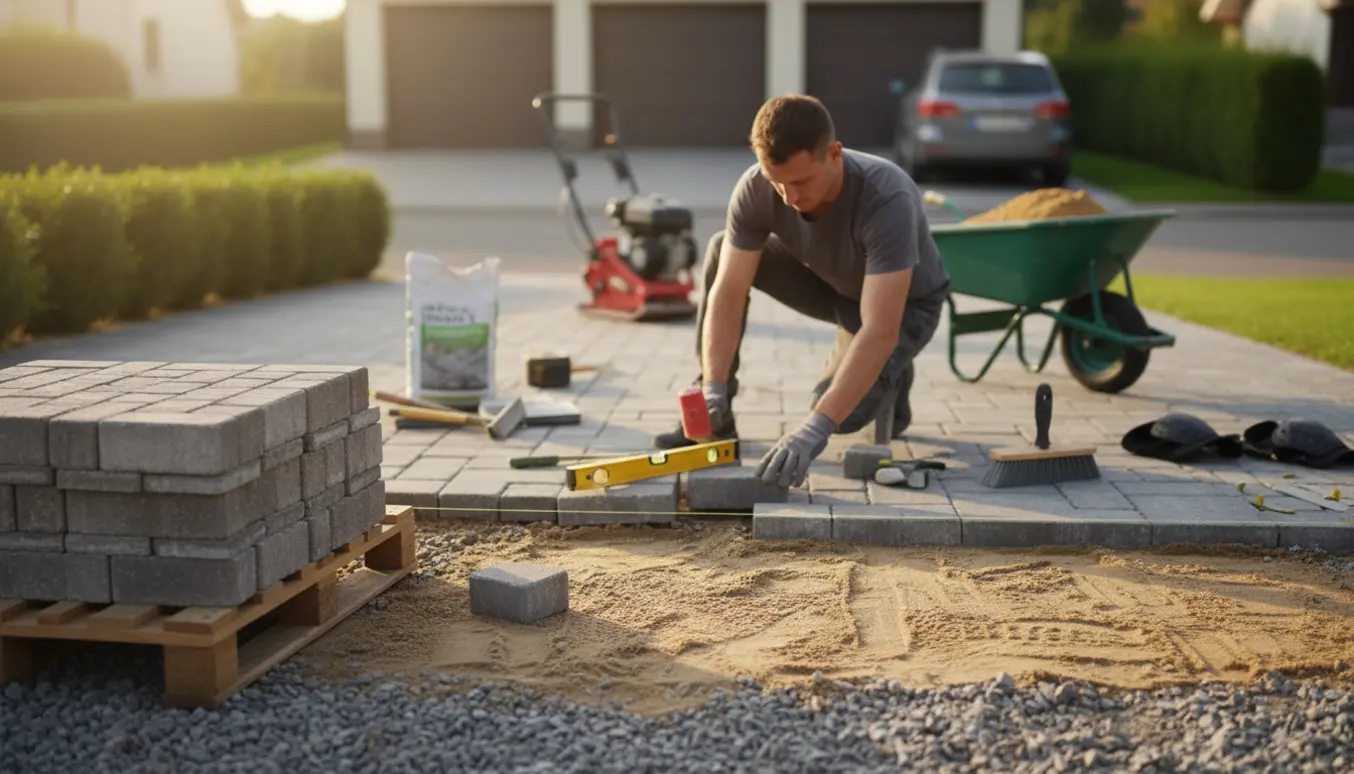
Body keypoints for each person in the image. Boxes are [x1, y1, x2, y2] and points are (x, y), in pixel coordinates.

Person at [652, 94, 952, 489]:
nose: (789, 199)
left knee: (837, 412)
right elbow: (728, 291)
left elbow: (880, 327)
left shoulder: (886, 197)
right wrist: (714, 385)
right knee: (722, 250)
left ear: (834, 154)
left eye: (800, 182)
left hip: (904, 306)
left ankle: (892, 381)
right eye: (777, 184)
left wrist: (815, 429)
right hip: (830, 284)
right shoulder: (756, 187)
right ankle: (717, 418)